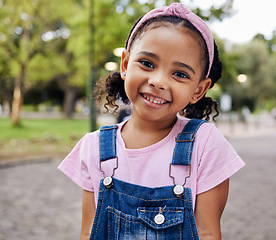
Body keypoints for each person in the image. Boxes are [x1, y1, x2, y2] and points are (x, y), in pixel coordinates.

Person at [58, 3, 244, 240]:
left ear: (199, 89)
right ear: (125, 64)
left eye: (180, 74)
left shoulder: (205, 144)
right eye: (147, 63)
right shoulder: (93, 147)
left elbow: (207, 233)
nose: (158, 81)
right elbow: (88, 232)